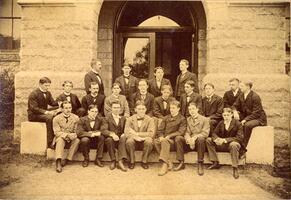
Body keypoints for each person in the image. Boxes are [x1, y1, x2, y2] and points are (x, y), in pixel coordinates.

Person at [206, 108, 244, 179]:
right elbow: (214, 133)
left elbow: (239, 138)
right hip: (222, 144)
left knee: (234, 144)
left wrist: (224, 140)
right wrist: (217, 139)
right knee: (208, 140)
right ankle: (215, 162)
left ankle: (235, 167)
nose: (226, 117)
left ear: (232, 115)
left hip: (232, 144)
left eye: (228, 115)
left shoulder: (237, 123)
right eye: (224, 115)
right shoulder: (221, 123)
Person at [232, 81, 267, 157]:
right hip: (248, 116)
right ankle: (234, 143)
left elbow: (257, 112)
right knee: (233, 120)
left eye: (241, 86)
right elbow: (234, 105)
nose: (239, 87)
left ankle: (243, 149)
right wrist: (235, 112)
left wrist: (245, 119)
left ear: (247, 87)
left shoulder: (255, 97)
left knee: (247, 125)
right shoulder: (241, 95)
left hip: (258, 118)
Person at [154, 100, 187, 176]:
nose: (171, 109)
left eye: (174, 108)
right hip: (165, 140)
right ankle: (168, 161)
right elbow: (160, 130)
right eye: (170, 108)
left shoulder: (182, 119)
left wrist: (169, 136)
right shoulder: (166, 118)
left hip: (174, 142)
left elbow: (181, 132)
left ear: (178, 109)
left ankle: (164, 165)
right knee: (156, 141)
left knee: (165, 141)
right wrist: (161, 136)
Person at [27, 77, 60, 146]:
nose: (48, 87)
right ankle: (50, 142)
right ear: (40, 84)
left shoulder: (48, 93)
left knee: (61, 110)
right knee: (49, 117)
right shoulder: (33, 94)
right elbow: (34, 108)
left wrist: (61, 103)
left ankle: (58, 137)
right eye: (46, 85)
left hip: (43, 113)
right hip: (34, 115)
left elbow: (52, 103)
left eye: (49, 85)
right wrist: (47, 112)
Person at [124, 101, 155, 169]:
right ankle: (132, 161)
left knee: (149, 141)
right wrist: (135, 137)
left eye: (143, 109)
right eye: (139, 109)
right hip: (134, 140)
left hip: (144, 141)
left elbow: (151, 133)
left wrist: (137, 134)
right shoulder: (130, 119)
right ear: (135, 110)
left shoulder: (150, 119)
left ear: (146, 109)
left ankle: (144, 161)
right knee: (129, 141)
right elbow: (126, 132)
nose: (141, 111)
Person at [52, 101, 80, 173]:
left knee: (77, 140)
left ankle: (67, 159)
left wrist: (73, 135)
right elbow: (56, 132)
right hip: (61, 137)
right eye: (66, 108)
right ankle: (58, 161)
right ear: (62, 109)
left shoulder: (76, 118)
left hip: (71, 137)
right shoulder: (56, 118)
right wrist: (67, 135)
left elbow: (77, 130)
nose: (68, 110)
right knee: (60, 140)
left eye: (70, 108)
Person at [101, 101, 128, 171]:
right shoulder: (106, 118)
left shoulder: (123, 118)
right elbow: (103, 130)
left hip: (121, 140)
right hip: (111, 139)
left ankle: (120, 161)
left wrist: (124, 133)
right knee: (109, 140)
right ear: (111, 109)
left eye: (118, 107)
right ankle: (113, 160)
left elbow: (127, 129)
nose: (116, 109)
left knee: (123, 137)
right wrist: (112, 135)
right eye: (114, 107)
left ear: (120, 109)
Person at [184, 103, 209, 176]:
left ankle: (200, 162)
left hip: (199, 142)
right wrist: (188, 138)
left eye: (193, 109)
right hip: (190, 141)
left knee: (201, 139)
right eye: (190, 109)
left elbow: (205, 133)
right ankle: (181, 162)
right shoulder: (188, 119)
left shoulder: (204, 119)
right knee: (180, 139)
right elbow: (186, 132)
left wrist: (195, 137)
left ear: (197, 109)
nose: (191, 111)